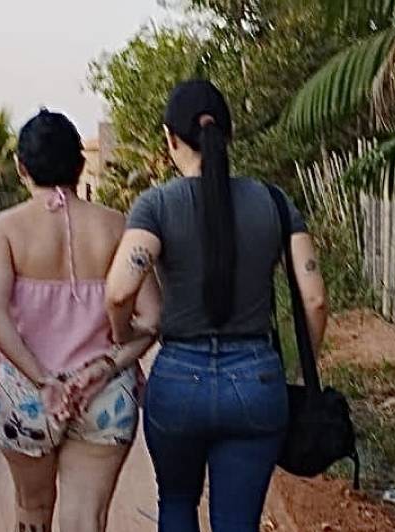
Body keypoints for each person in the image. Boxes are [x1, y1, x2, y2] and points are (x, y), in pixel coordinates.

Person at [105, 80, 329, 532]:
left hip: (177, 381)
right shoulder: (274, 202)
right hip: (256, 378)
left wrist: (123, 334)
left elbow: (119, 292)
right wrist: (294, 367)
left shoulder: (156, 205)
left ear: (170, 139)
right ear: (229, 133)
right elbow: (315, 299)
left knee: (176, 504)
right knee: (237, 522)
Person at [0, 109, 161, 532]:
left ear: (21, 167)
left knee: (32, 510)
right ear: (79, 166)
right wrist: (105, 367)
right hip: (105, 394)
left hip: (26, 395)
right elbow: (152, 318)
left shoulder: (6, 228)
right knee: (85, 521)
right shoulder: (118, 226)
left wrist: (42, 379)